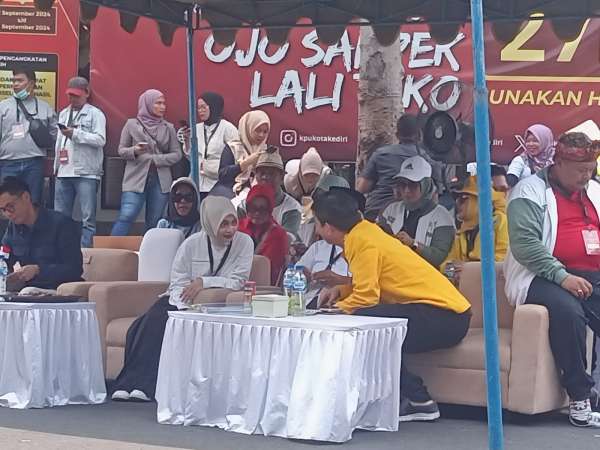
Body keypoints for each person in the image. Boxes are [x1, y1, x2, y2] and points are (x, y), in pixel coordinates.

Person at [314, 189, 471, 422]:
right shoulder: (366, 232)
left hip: (442, 316)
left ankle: (418, 399)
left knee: (367, 327)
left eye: (316, 224)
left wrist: (333, 312)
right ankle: (404, 399)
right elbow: (372, 284)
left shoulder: (361, 241)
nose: (316, 231)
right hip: (448, 315)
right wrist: (342, 291)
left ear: (328, 227)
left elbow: (366, 298)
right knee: (372, 326)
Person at [111, 196, 254, 402]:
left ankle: (146, 386)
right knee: (147, 324)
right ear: (210, 222)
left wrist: (204, 282)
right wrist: (182, 301)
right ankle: (127, 383)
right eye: (224, 224)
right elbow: (177, 279)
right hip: (179, 299)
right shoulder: (192, 243)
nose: (230, 229)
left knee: (163, 325)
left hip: (207, 304)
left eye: (233, 223)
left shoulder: (244, 243)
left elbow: (238, 281)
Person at [504, 132, 600, 428]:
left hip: (591, 274)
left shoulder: (595, 190)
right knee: (568, 311)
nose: (586, 176)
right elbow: (525, 245)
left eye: (590, 169)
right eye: (580, 170)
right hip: (540, 274)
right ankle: (580, 396)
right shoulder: (528, 191)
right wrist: (562, 276)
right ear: (558, 163)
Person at [111, 89, 182, 235]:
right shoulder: (131, 124)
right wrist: (135, 151)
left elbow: (177, 154)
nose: (162, 107)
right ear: (147, 104)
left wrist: (155, 159)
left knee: (155, 220)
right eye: (158, 103)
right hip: (135, 178)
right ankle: (113, 246)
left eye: (163, 103)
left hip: (160, 180)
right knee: (127, 215)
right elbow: (121, 150)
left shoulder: (168, 127)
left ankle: (149, 248)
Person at [0, 177, 82, 291]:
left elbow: (74, 269)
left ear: (26, 197)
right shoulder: (13, 228)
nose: (8, 214)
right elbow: (4, 259)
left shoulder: (61, 224)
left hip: (59, 289)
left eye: (10, 207)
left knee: (28, 291)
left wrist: (38, 270)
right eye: (3, 210)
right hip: (27, 291)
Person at [53, 77, 106, 248]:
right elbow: (58, 143)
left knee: (88, 218)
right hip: (63, 171)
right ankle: (62, 250)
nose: (72, 98)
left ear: (86, 93)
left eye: (76, 95)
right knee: (60, 217)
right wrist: (56, 167)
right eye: (70, 95)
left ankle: (86, 253)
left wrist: (75, 134)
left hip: (86, 172)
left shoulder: (95, 114)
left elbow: (100, 140)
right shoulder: (63, 113)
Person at [378, 156, 455, 269]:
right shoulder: (390, 210)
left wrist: (413, 244)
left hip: (426, 275)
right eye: (403, 185)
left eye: (413, 185)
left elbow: (439, 257)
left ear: (426, 185)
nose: (406, 190)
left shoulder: (442, 217)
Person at [0, 67, 57, 204]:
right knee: (7, 205)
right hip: (8, 163)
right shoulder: (3, 106)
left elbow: (55, 135)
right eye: (13, 81)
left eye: (20, 80)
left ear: (31, 83)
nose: (15, 84)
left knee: (32, 203)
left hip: (34, 164)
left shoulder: (45, 108)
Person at [443, 176, 509, 281]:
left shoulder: (501, 222)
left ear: (479, 201)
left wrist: (468, 269)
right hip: (466, 287)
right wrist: (453, 272)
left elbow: (503, 262)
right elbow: (445, 267)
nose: (457, 203)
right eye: (457, 199)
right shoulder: (462, 233)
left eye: (463, 199)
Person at [357, 114, 421, 221]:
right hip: (411, 218)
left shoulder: (381, 154)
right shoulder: (426, 159)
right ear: (419, 135)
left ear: (397, 135)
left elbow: (362, 188)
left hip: (376, 212)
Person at [182, 92, 238, 199]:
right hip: (197, 183)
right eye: (198, 108)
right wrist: (187, 141)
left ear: (214, 107)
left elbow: (235, 157)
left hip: (218, 184)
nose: (200, 111)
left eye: (203, 107)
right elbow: (190, 156)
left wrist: (212, 166)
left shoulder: (228, 128)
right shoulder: (196, 128)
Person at [238, 150, 302, 238]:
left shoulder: (292, 208)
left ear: (282, 177)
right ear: (255, 176)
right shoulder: (243, 206)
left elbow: (286, 240)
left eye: (271, 174)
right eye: (262, 173)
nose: (265, 177)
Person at [238, 184, 289, 285]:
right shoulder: (238, 228)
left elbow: (272, 271)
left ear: (270, 210)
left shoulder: (278, 235)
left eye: (262, 209)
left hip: (264, 286)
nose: (257, 213)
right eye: (253, 208)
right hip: (237, 282)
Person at [217, 110, 270, 196]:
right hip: (231, 194)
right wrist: (245, 164)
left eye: (265, 132)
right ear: (248, 128)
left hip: (260, 195)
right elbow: (223, 175)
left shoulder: (266, 150)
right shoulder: (233, 147)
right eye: (258, 130)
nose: (261, 135)